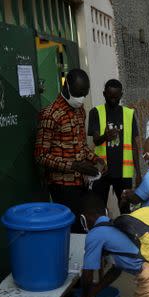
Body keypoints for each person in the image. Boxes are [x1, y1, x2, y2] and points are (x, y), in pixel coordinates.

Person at [34, 69, 103, 233]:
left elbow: (81, 146)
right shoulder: (50, 115)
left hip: (82, 183)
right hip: (61, 186)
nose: (81, 99)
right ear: (66, 87)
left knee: (87, 225)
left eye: (84, 94)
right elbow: (41, 156)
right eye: (78, 93)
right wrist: (74, 166)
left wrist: (96, 159)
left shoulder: (80, 111)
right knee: (73, 229)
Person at [88, 79, 142, 213]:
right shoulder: (95, 112)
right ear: (104, 94)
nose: (113, 100)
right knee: (98, 208)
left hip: (123, 172)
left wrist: (139, 172)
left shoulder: (129, 114)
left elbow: (134, 144)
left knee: (126, 209)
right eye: (110, 96)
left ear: (121, 95)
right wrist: (105, 136)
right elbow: (96, 140)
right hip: (102, 171)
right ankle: (102, 233)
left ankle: (125, 232)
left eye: (116, 97)